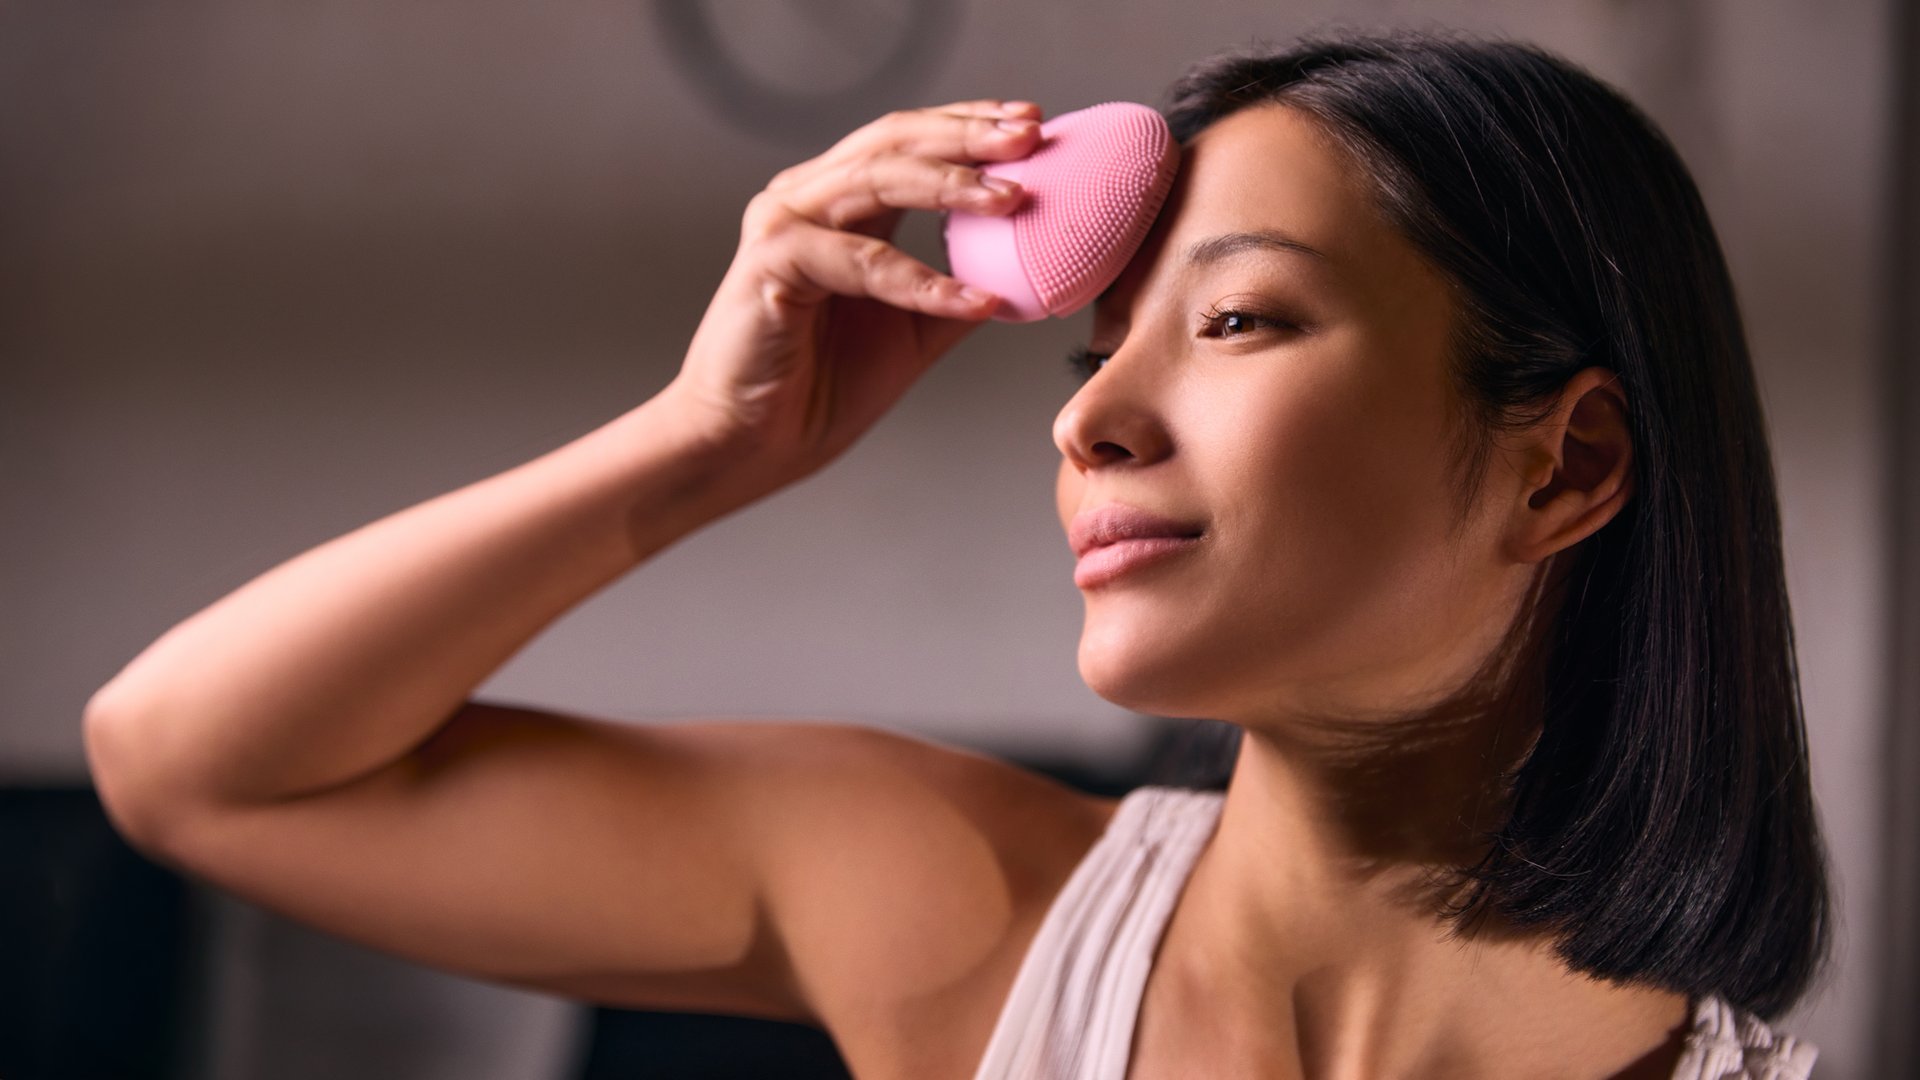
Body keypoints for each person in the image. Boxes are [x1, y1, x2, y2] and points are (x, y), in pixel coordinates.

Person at [81, 29, 1831, 1080]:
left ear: (1567, 462)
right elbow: (197, 770)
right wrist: (700, 447)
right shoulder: (966, 908)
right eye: (1093, 357)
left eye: (1232, 322)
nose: (1088, 424)